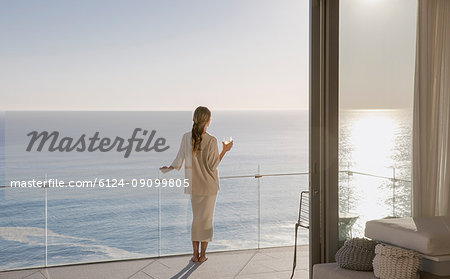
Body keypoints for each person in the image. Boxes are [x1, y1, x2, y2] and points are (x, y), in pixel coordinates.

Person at [160, 106, 233, 263]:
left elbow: (179, 159)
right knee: (206, 221)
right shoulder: (212, 140)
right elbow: (213, 166)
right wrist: (225, 150)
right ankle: (202, 256)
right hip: (209, 188)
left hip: (194, 187)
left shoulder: (186, 137)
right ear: (208, 120)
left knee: (196, 220)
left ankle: (194, 255)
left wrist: (169, 169)